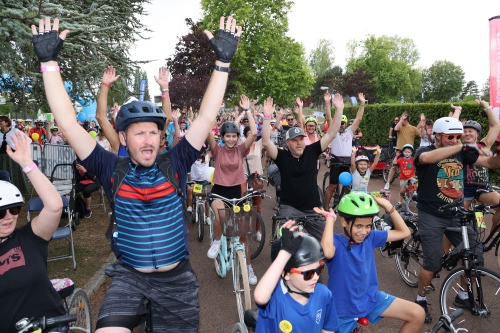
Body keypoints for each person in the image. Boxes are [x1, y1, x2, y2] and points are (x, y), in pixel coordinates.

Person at [32, 15, 242, 332]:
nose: (147, 140)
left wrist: (222, 63)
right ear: (124, 139)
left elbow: (207, 114)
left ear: (161, 138)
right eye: (138, 133)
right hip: (130, 278)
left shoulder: (177, 161)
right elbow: (68, 124)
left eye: (152, 133)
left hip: (177, 282)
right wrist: (49, 63)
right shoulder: (109, 167)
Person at [414, 116, 500, 323]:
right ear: (437, 135)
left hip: (456, 214)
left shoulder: (462, 152)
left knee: (474, 256)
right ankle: (420, 300)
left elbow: (490, 163)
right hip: (431, 214)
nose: (454, 140)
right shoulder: (423, 152)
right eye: (450, 136)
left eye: (457, 136)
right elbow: (427, 160)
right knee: (432, 264)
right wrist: (462, 146)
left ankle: (462, 295)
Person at [317, 192, 424, 333]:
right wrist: (330, 220)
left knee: (418, 313)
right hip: (341, 310)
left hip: (370, 300)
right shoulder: (335, 241)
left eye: (368, 226)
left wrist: (388, 207)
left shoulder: (371, 237)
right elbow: (327, 252)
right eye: (359, 226)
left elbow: (404, 232)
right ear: (343, 222)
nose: (364, 231)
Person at [0, 132, 65, 333]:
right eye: (1, 212)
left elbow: (54, 206)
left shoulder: (29, 238)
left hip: (48, 325)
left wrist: (27, 163)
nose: (9, 217)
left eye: (15, 210)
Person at [262, 92, 343, 241]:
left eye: (301, 139)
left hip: (313, 208)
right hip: (289, 209)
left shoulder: (312, 151)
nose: (299, 142)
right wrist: (267, 117)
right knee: (288, 245)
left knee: (330, 243)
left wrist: (339, 110)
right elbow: (266, 142)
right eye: (294, 140)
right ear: (287, 142)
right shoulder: (282, 156)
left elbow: (331, 134)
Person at [206, 94, 258, 285]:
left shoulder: (241, 150)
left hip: (237, 193)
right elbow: (207, 130)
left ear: (237, 137)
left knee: (243, 234)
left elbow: (253, 132)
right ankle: (217, 241)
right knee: (221, 216)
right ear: (223, 137)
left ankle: (249, 267)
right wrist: (216, 110)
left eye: (233, 136)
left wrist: (248, 111)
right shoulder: (217, 150)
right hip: (219, 191)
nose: (230, 139)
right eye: (227, 136)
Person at [253, 221, 339, 333]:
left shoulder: (323, 294)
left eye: (319, 269)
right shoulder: (274, 299)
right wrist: (285, 253)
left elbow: (328, 329)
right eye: (308, 273)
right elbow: (260, 297)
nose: (316, 277)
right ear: (286, 273)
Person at [96, 65, 172, 156]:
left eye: (151, 132)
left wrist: (165, 88)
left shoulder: (152, 142)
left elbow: (167, 119)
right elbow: (101, 118)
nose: (146, 138)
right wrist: (105, 85)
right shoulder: (121, 145)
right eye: (139, 133)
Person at [461, 99, 500, 235]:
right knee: (458, 220)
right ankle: (448, 252)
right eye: (464, 131)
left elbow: (495, 126)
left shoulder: (484, 145)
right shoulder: (458, 147)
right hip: (464, 188)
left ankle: (492, 234)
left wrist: (486, 107)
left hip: (483, 187)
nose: (467, 133)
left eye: (471, 131)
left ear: (477, 134)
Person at [324, 93, 366, 210]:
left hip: (347, 162)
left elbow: (359, 118)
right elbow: (328, 118)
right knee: (332, 186)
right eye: (340, 122)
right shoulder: (333, 131)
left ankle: (345, 206)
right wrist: (327, 102)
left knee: (348, 187)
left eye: (343, 123)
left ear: (346, 124)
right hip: (336, 162)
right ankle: (326, 208)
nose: (341, 125)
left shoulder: (349, 131)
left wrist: (362, 103)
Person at [384, 112, 424, 191]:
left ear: (407, 120)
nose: (402, 121)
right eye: (401, 119)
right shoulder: (400, 127)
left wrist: (422, 127)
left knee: (410, 168)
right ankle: (388, 182)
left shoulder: (413, 128)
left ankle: (409, 186)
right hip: (400, 150)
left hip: (409, 151)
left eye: (403, 119)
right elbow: (395, 129)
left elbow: (422, 136)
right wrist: (401, 119)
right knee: (394, 166)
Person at [0, 116, 29, 194]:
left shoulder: (15, 131)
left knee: (15, 174)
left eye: (1, 121)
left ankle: (18, 192)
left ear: (6, 122)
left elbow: (28, 140)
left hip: (13, 157)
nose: (0, 122)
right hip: (2, 158)